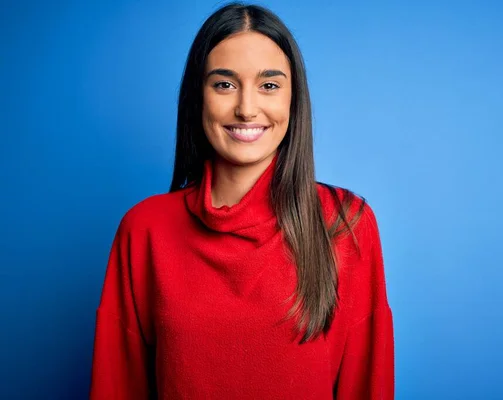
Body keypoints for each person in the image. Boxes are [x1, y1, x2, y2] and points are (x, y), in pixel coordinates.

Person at [89, 3, 394, 399]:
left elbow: (367, 384)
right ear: (197, 98)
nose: (247, 108)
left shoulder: (345, 223)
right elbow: (117, 386)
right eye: (224, 84)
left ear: (293, 100)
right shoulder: (145, 230)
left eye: (269, 85)